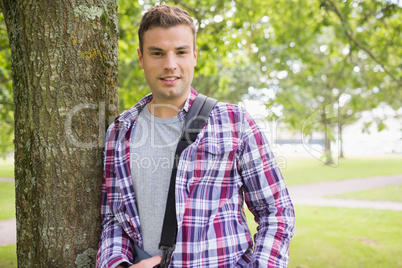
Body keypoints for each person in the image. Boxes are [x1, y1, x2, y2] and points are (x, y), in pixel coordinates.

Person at [97, 5, 295, 268]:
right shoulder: (120, 131)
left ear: (194, 56)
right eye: (157, 53)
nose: (170, 65)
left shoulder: (235, 122)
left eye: (181, 52)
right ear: (141, 58)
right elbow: (114, 218)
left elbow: (277, 212)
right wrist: (118, 264)